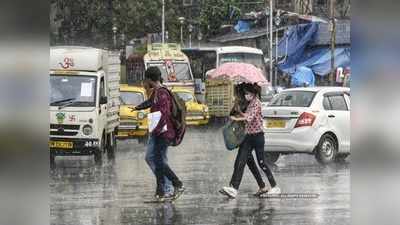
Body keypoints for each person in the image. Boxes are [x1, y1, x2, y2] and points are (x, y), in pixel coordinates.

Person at [132, 67, 185, 200]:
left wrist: (155, 130)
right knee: (158, 161)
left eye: (146, 79)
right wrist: (138, 107)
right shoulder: (157, 92)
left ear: (150, 79)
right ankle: (161, 192)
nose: (145, 82)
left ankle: (177, 184)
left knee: (159, 161)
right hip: (160, 132)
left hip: (164, 133)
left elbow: (164, 114)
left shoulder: (162, 93)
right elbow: (150, 102)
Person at [221, 83, 280, 198]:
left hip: (258, 137)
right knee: (240, 161)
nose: (246, 95)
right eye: (245, 93)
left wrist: (237, 117)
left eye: (247, 93)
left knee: (261, 163)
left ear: (253, 94)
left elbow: (249, 118)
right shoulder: (249, 103)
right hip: (248, 137)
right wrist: (238, 111)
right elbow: (246, 114)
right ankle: (234, 188)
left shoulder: (256, 103)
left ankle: (274, 186)